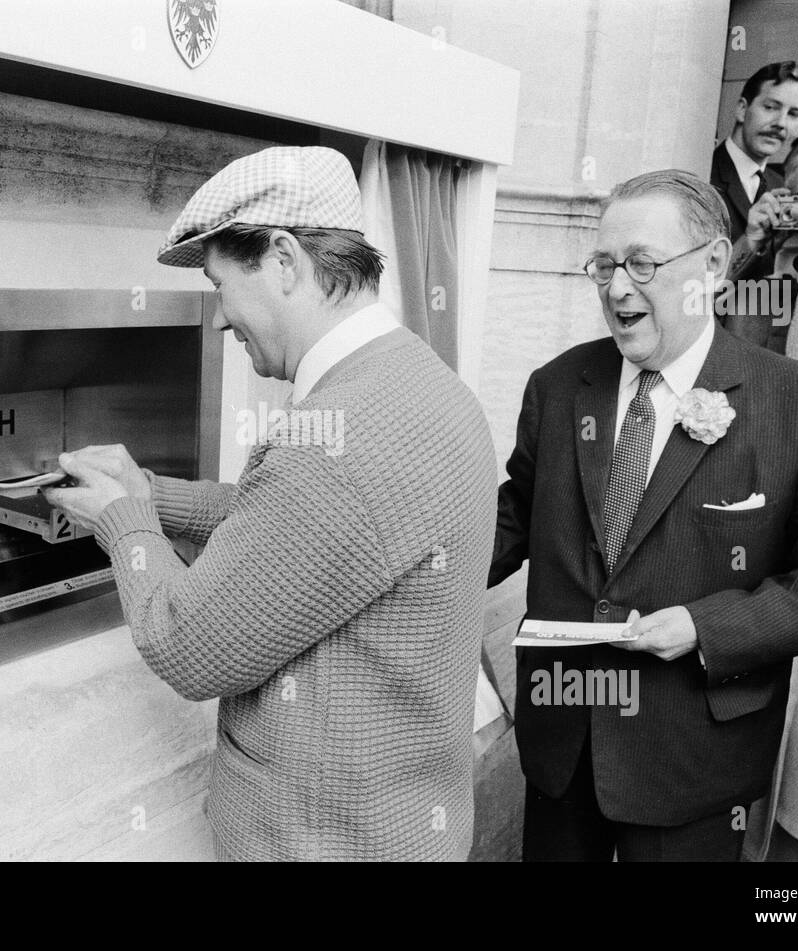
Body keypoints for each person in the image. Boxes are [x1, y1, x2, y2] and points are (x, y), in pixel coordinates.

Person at [42, 146, 498, 861]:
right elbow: (294, 536)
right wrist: (150, 495)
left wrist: (119, 522)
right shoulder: (422, 383)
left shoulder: (339, 440)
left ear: (285, 260)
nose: (221, 320)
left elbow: (186, 642)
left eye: (222, 284)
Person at [489, 168, 798, 862]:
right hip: (560, 739)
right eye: (603, 265)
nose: (616, 288)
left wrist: (705, 625)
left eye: (641, 264)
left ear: (715, 265)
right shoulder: (557, 386)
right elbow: (509, 519)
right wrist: (413, 565)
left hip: (692, 755)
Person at [710, 61, 798, 350]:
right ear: (742, 109)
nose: (780, 123)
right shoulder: (700, 174)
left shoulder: (781, 183)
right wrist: (751, 240)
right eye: (770, 107)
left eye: (793, 114)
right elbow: (690, 291)